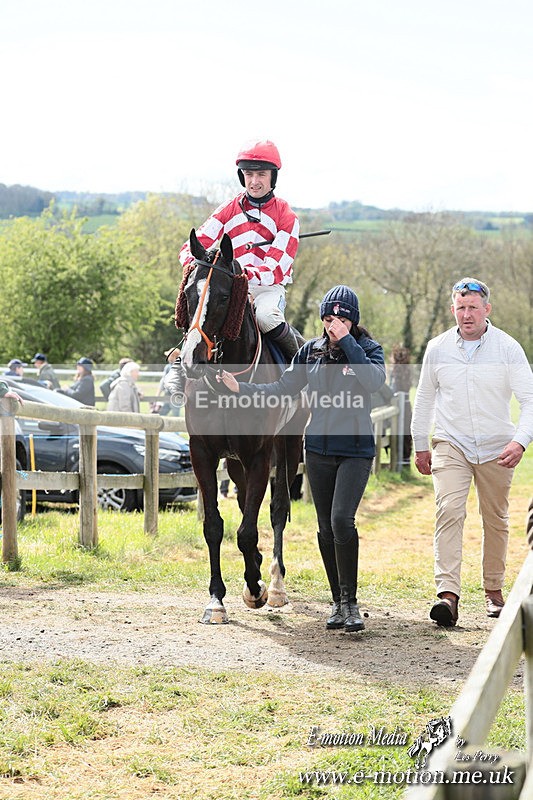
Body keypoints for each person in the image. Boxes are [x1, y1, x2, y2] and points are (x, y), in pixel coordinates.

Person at [218, 285, 386, 632]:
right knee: (325, 528)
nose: (334, 324)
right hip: (319, 450)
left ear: (353, 321)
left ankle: (351, 602)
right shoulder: (310, 352)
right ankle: (337, 603)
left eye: (342, 319)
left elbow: (374, 382)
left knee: (341, 521)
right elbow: (281, 389)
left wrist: (348, 342)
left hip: (355, 451)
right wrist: (242, 388)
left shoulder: (368, 350)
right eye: (328, 317)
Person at [411, 277, 533, 627]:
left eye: (473, 308)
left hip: (498, 447)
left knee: (495, 518)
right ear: (453, 309)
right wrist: (420, 445)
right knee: (449, 510)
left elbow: (529, 400)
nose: (467, 314)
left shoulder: (508, 348)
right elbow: (424, 399)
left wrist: (520, 441)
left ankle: (494, 591)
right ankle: (448, 595)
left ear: (486, 309)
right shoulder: (437, 348)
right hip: (452, 443)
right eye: (461, 308)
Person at [179, 139, 301, 361]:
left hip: (266, 291)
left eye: (261, 174)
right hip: (229, 287)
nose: (254, 181)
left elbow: (275, 270)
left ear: (272, 176)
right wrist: (196, 266)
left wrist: (240, 274)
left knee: (266, 318)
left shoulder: (286, 216)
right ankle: (184, 363)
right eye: (248, 174)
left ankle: (300, 365)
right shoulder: (228, 208)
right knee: (200, 309)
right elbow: (191, 247)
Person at [390, 344, 413, 464]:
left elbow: (393, 391)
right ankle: (404, 459)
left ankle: (401, 460)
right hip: (405, 404)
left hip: (399, 404)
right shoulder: (407, 372)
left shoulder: (395, 373)